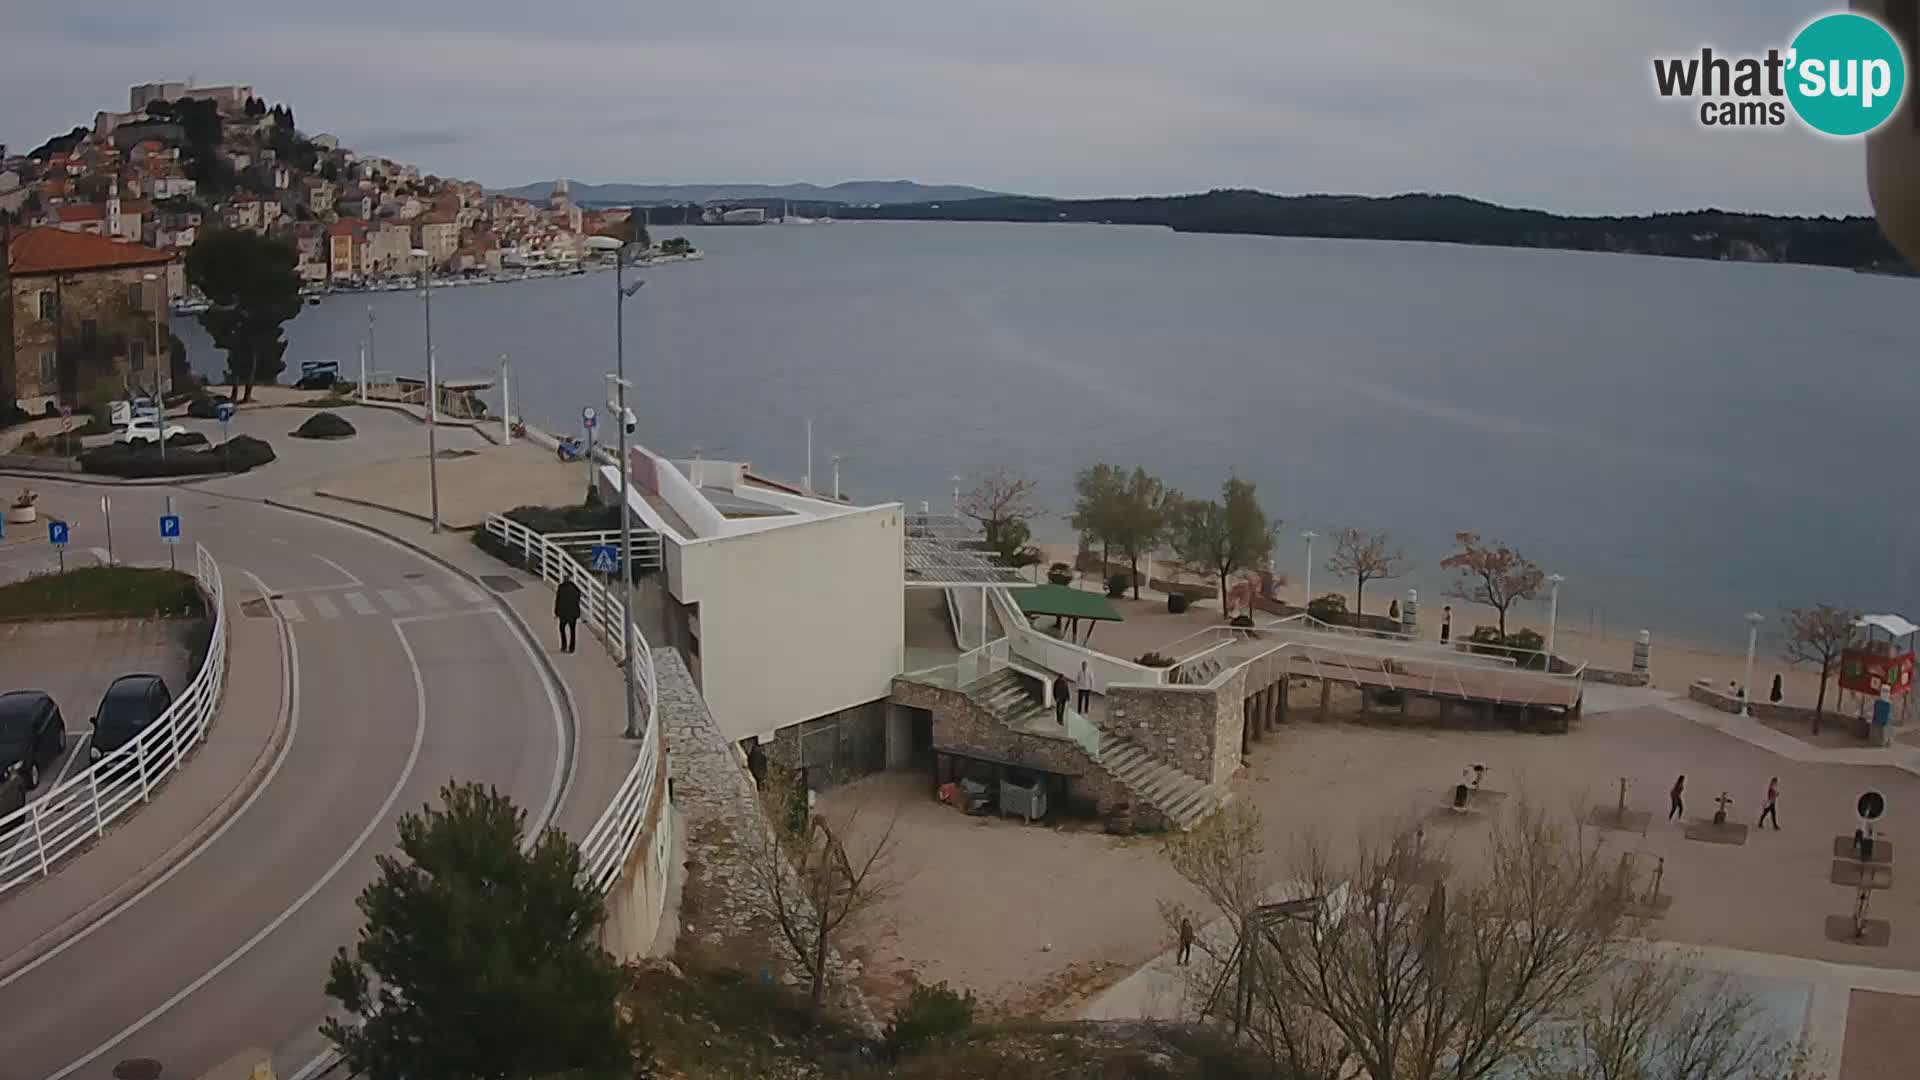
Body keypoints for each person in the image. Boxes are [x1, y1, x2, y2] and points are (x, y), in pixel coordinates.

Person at [554, 577, 582, 653]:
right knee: (572, 631)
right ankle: (572, 648)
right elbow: (578, 600)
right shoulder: (575, 589)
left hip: (563, 614)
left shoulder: (561, 588)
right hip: (573, 614)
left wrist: (556, 612)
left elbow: (557, 601)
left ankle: (564, 645)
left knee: (561, 628)